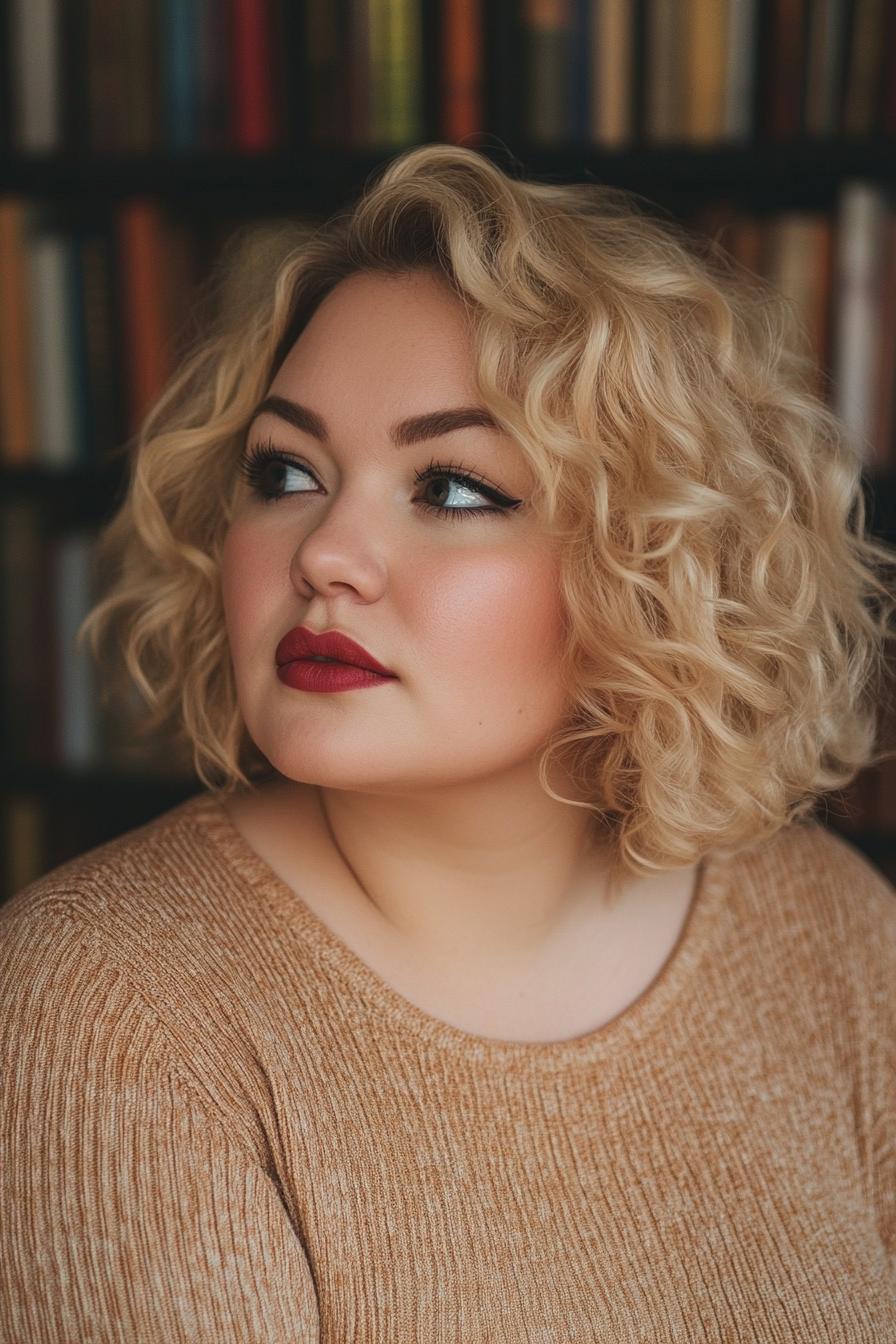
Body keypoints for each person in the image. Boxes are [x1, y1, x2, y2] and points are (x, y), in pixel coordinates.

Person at [2, 145, 895, 1341]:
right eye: (285, 471)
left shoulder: (829, 931)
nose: (323, 553)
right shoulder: (96, 1008)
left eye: (453, 489)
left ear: (654, 565)